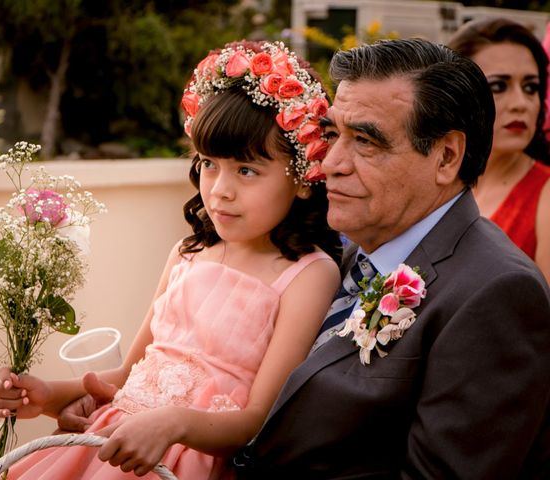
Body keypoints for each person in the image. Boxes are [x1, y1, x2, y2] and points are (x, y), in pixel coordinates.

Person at [0, 40, 342, 479]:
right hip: (116, 442)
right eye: (209, 164)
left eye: (247, 170)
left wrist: (174, 424)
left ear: (303, 180)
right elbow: (126, 375)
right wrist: (48, 395)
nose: (220, 190)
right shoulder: (186, 253)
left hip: (186, 460)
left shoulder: (307, 275)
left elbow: (257, 418)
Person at [233, 38, 550, 479]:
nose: (331, 164)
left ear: (446, 156)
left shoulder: (496, 293)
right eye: (331, 134)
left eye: (365, 140)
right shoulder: (333, 254)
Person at [448, 18, 550, 284]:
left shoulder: (545, 196)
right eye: (498, 86)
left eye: (531, 87)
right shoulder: (433, 182)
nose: (521, 103)